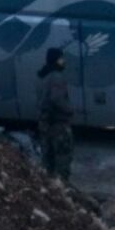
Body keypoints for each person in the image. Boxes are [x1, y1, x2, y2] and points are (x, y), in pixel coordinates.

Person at [37, 47, 74, 180]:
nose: (63, 61)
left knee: (48, 159)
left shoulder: (43, 76)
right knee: (63, 159)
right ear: (56, 60)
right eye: (61, 58)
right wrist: (69, 110)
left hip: (45, 123)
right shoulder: (56, 77)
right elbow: (56, 98)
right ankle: (63, 189)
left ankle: (49, 188)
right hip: (58, 124)